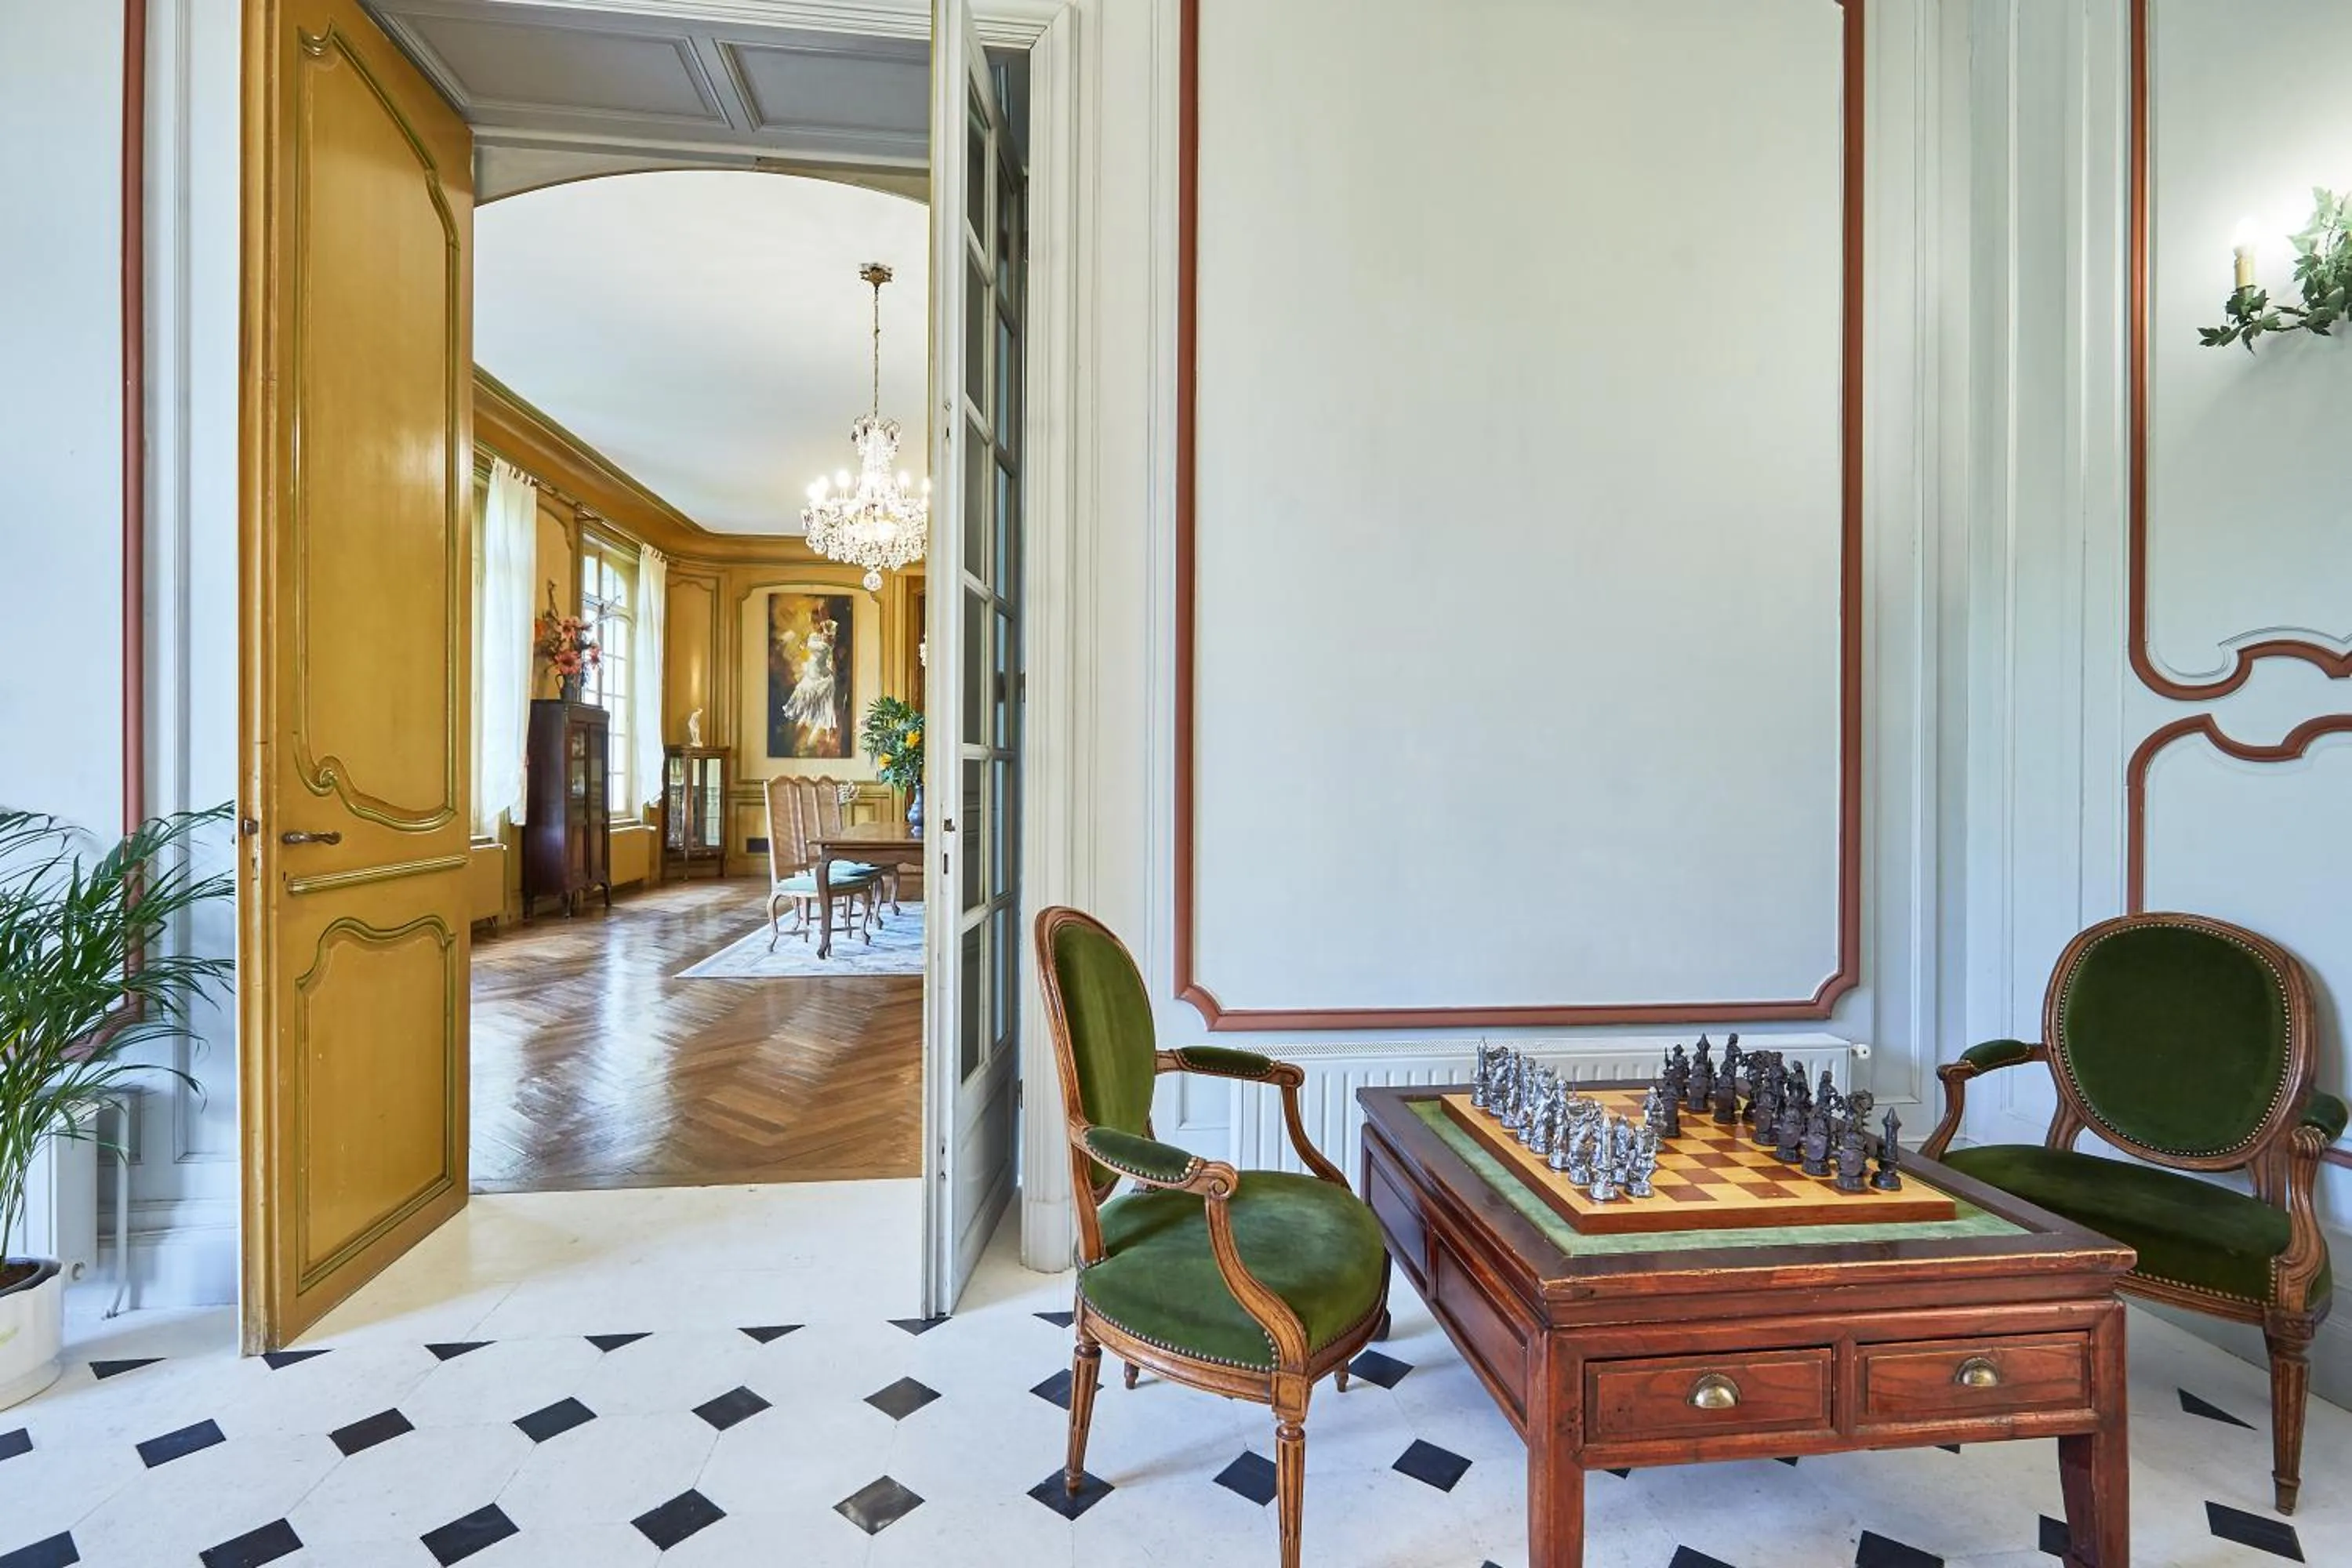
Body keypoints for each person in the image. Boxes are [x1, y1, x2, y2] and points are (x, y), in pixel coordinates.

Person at [780, 619, 841, 742]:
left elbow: (825, 648)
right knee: (804, 706)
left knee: (824, 708)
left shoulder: (828, 639)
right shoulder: (813, 636)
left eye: (818, 622)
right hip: (811, 672)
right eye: (814, 622)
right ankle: (794, 736)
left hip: (822, 675)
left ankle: (827, 735)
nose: (816, 625)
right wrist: (802, 645)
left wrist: (824, 633)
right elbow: (804, 646)